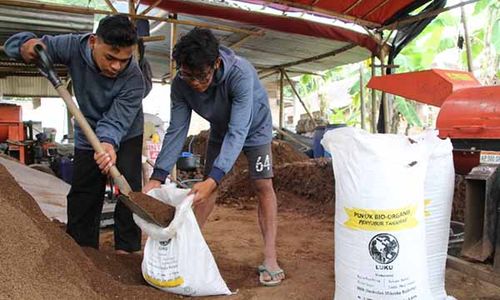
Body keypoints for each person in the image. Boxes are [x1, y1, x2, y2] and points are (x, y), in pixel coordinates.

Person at [143, 28, 285, 286]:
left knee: (262, 184)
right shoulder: (180, 84)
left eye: (201, 76)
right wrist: (158, 176)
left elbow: (239, 130)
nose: (195, 83)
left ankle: (271, 257)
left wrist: (215, 178)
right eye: (188, 75)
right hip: (220, 128)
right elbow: (177, 129)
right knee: (204, 188)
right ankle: (188, 250)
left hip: (255, 129)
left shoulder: (241, 74)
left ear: (216, 64)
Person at [4, 15, 147, 254]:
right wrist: (24, 45)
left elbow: (117, 119)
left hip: (126, 131)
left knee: (129, 190)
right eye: (110, 57)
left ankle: (128, 249)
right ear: (93, 42)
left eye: (124, 60)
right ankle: (82, 250)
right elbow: (21, 44)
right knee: (84, 191)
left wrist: (108, 143)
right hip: (86, 128)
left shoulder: (134, 79)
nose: (116, 66)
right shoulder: (71, 46)